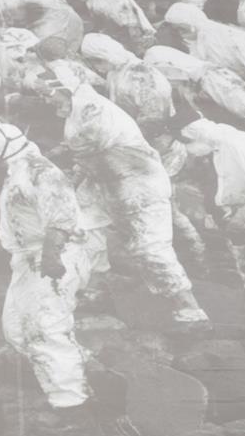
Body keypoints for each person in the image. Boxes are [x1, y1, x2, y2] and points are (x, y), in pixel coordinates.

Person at [0, 109, 97, 420]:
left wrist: (52, 256)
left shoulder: (42, 172)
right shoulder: (16, 172)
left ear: (4, 149)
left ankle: (72, 404)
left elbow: (62, 216)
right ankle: (80, 372)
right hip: (27, 260)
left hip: (54, 254)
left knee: (45, 326)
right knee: (15, 328)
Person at [59, 79, 208, 325]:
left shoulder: (97, 114)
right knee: (85, 229)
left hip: (140, 187)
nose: (45, 100)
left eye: (49, 95)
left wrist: (64, 156)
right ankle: (95, 288)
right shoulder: (78, 111)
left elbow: (86, 145)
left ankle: (190, 308)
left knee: (149, 247)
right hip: (105, 182)